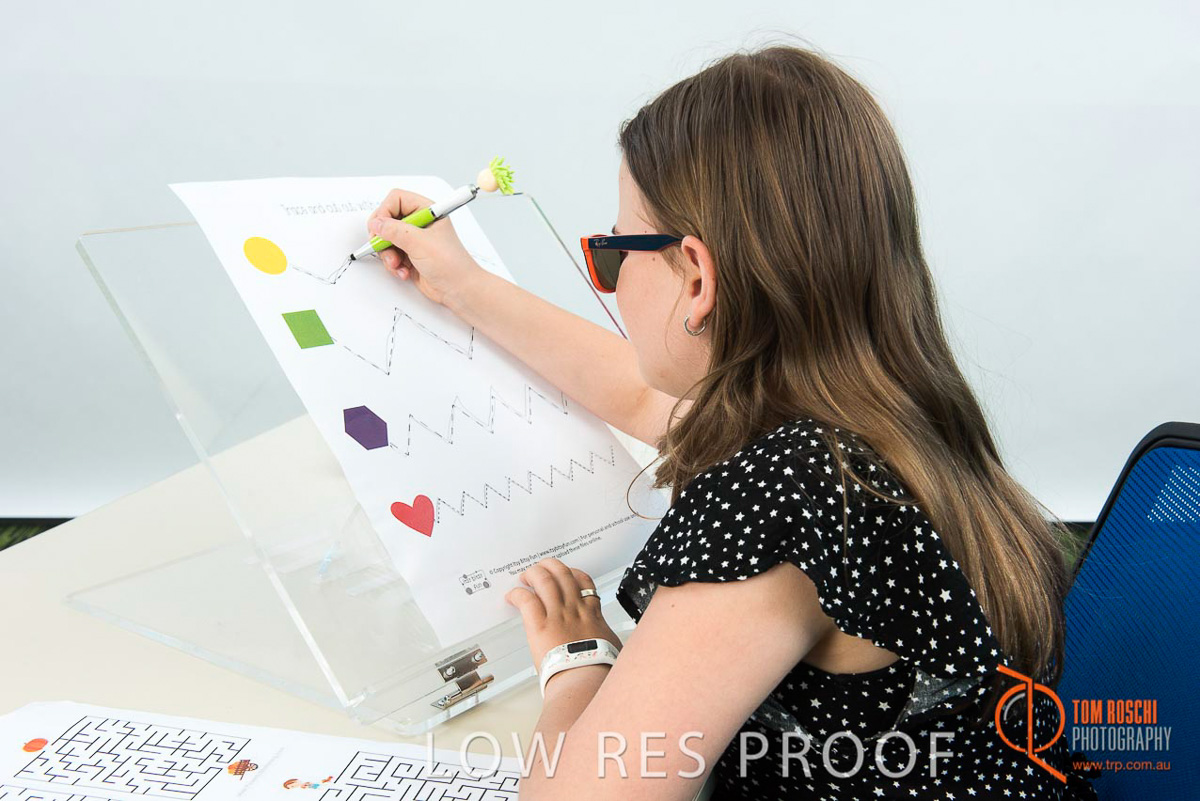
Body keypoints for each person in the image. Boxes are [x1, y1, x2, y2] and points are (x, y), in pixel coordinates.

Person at [365, 43, 1096, 801]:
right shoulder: (883, 412)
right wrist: (462, 285)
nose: (610, 284)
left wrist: (577, 663)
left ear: (697, 276)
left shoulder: (787, 495)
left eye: (615, 252)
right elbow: (644, 397)